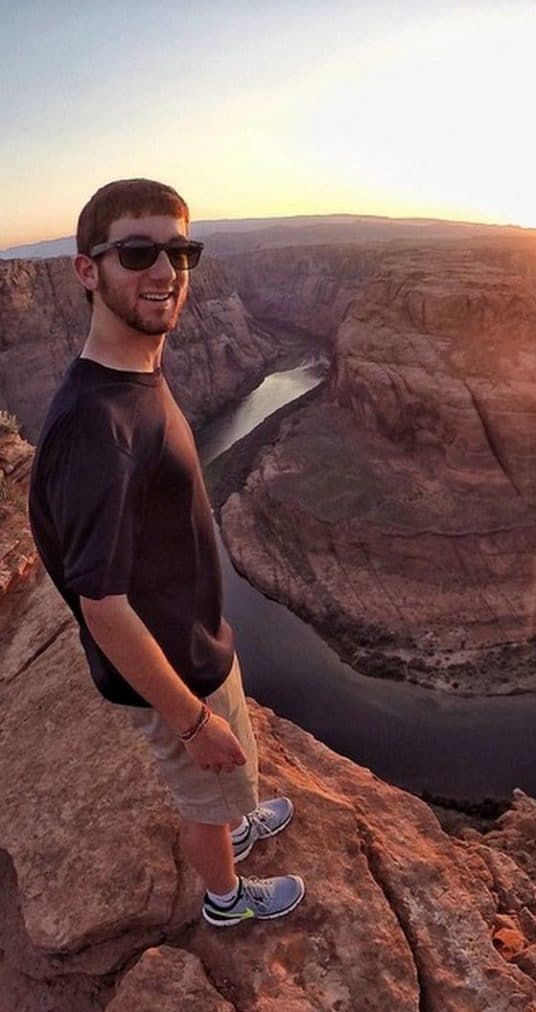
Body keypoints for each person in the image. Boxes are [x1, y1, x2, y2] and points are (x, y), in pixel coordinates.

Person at [28, 179, 305, 928]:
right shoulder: (96, 426)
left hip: (197, 639)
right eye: (138, 252)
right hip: (172, 666)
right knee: (203, 787)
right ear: (88, 270)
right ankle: (225, 899)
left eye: (180, 251)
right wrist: (189, 721)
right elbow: (102, 606)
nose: (166, 272)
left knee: (225, 780)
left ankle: (235, 824)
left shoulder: (137, 374)